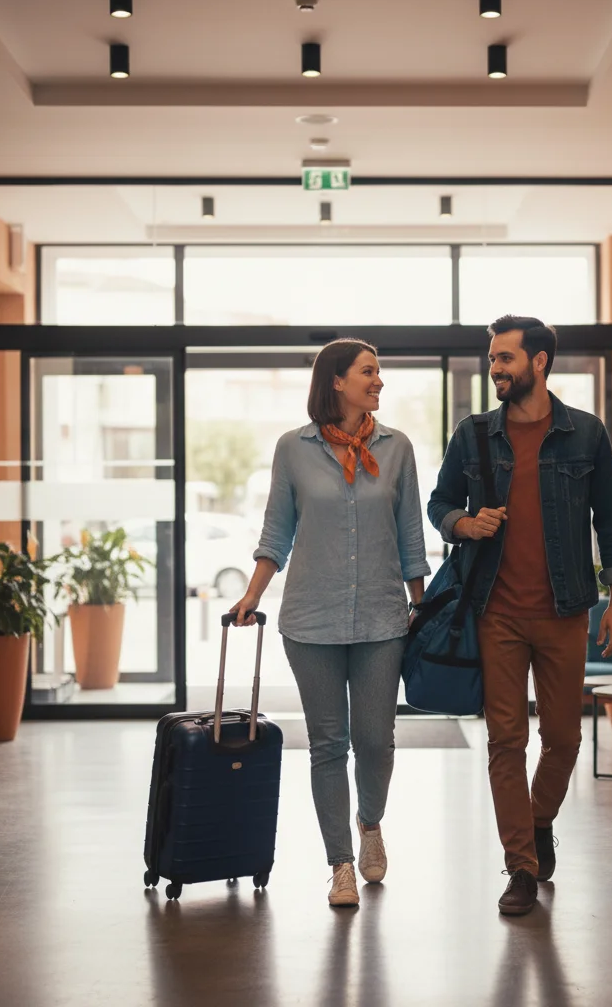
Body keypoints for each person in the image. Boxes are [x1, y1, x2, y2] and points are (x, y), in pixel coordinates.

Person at [428, 315, 612, 916]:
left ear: (539, 362)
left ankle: (537, 820)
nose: (495, 368)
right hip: (495, 611)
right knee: (505, 740)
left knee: (565, 739)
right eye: (492, 359)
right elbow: (440, 502)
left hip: (566, 609)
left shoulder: (586, 435)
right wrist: (463, 524)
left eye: (505, 359)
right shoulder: (472, 435)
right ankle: (520, 865)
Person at [230, 339, 430, 908]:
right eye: (370, 372)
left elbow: (411, 535)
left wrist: (423, 607)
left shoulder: (397, 448)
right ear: (337, 381)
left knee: (375, 741)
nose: (379, 382)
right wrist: (251, 594)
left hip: (382, 618)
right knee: (326, 744)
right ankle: (340, 864)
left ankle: (371, 822)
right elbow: (277, 532)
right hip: (310, 620)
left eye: (379, 373)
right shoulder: (293, 449)